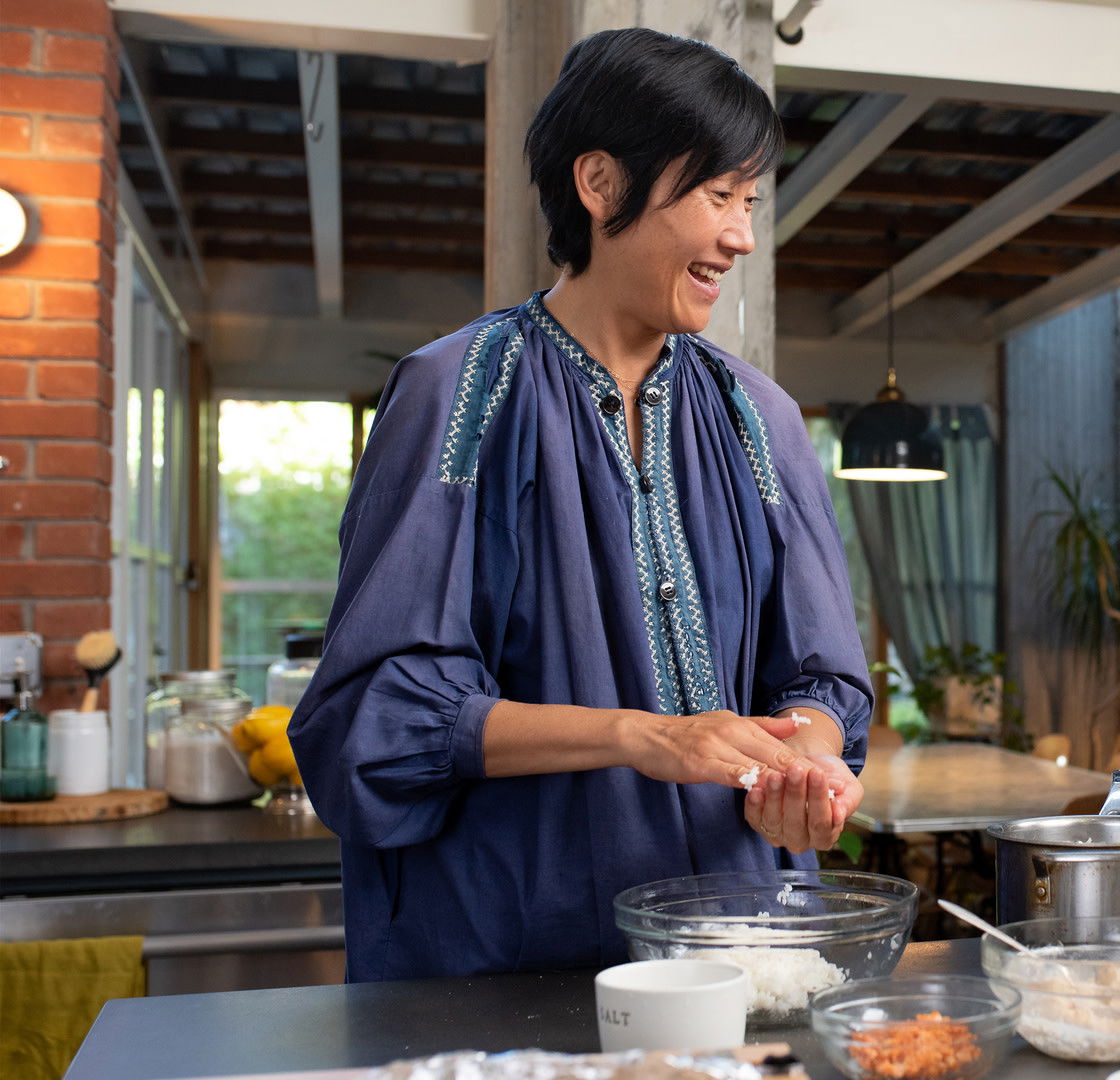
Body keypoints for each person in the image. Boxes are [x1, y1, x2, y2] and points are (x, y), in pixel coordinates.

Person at [289, 29, 875, 980]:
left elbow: (821, 682)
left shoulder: (761, 417)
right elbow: (373, 720)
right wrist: (642, 735)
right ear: (600, 184)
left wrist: (804, 763)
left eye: (749, 201)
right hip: (506, 951)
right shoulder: (455, 392)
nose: (740, 236)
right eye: (716, 196)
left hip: (736, 948)